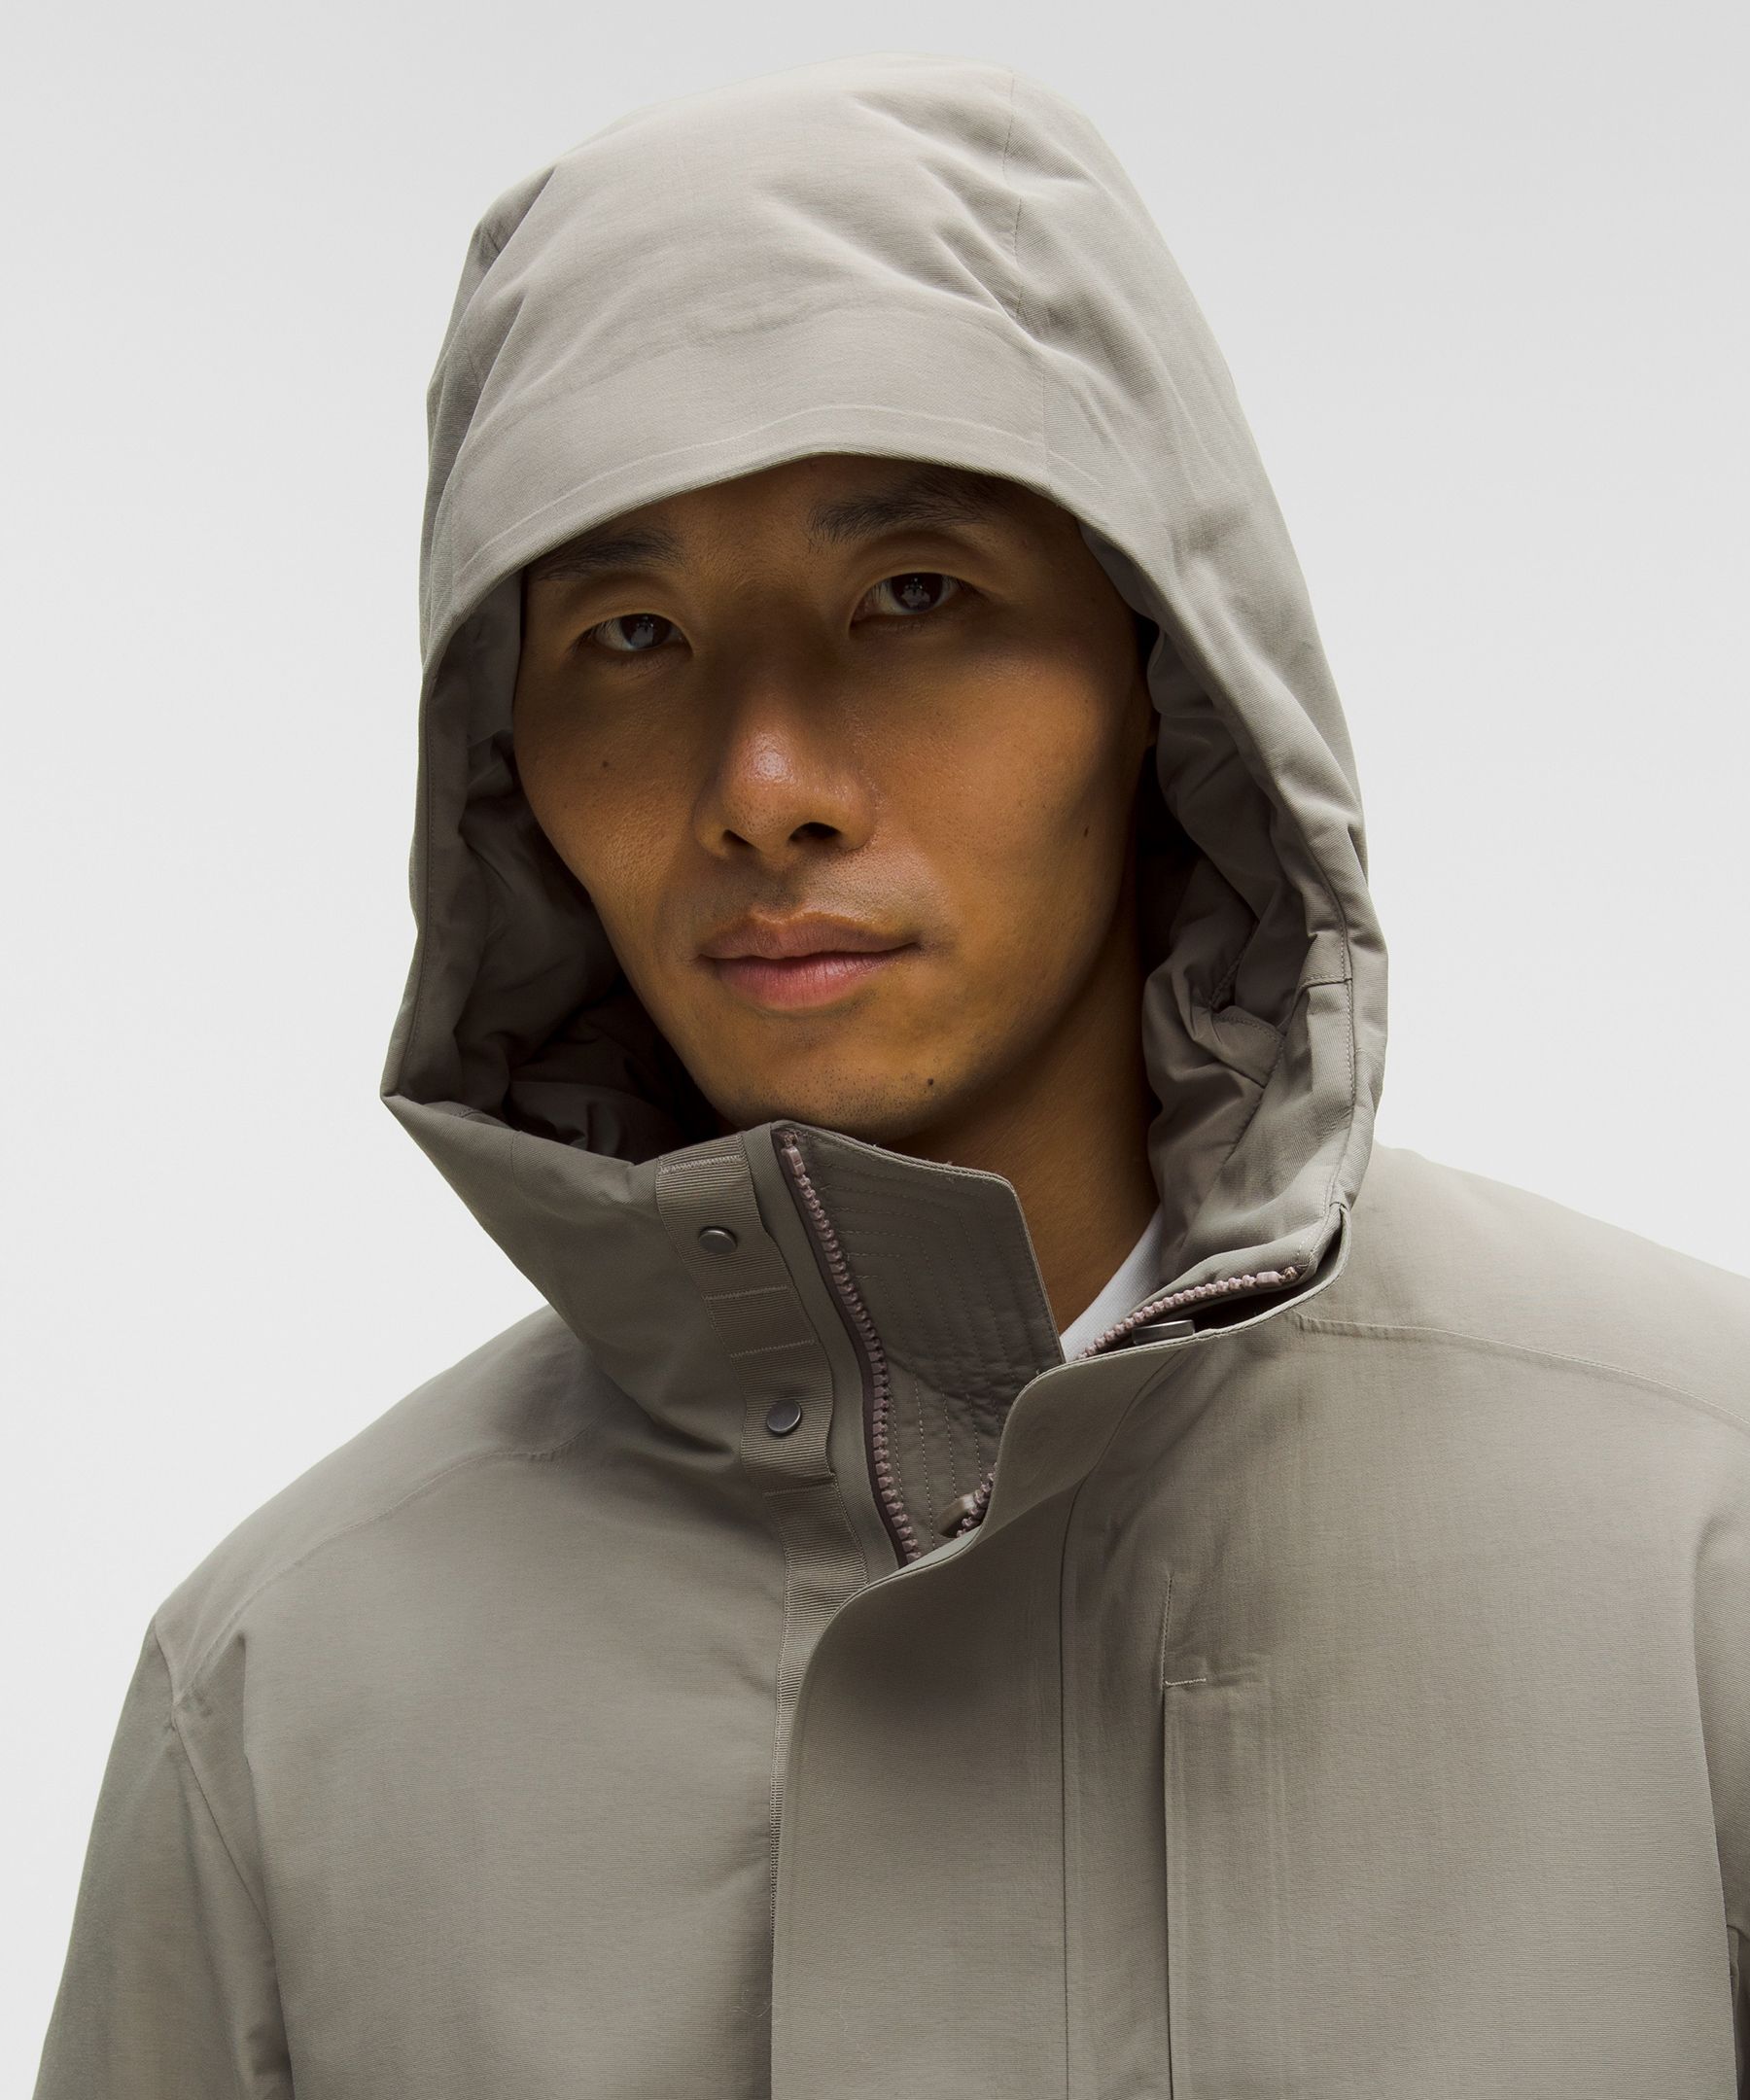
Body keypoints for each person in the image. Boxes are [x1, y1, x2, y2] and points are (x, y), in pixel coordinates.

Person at [31, 50, 1749, 2099]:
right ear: (506, 769)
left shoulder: (1701, 1535)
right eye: (630, 634)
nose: (765, 785)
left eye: (913, 596)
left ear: (1162, 672)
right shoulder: (279, 1708)